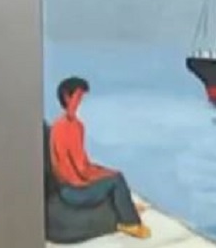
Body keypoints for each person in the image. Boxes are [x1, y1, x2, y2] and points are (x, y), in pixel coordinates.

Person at [48, 76, 148, 238]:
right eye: (78, 97)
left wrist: (104, 172)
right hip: (72, 191)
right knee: (117, 179)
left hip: (72, 186)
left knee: (111, 176)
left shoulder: (72, 125)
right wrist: (106, 175)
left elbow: (83, 163)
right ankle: (130, 223)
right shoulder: (66, 128)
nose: (81, 103)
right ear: (67, 97)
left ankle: (127, 208)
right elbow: (81, 170)